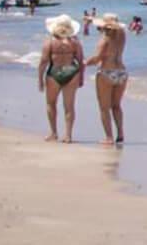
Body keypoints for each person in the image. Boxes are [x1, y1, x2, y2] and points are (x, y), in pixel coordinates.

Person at [37, 15, 85, 143]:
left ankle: (54, 133)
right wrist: (81, 78)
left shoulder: (50, 42)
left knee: (51, 104)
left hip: (54, 72)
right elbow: (80, 61)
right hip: (71, 72)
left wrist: (40, 79)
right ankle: (68, 135)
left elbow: (43, 62)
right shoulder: (75, 42)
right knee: (69, 106)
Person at [90, 13, 129, 147]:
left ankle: (109, 137)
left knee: (104, 107)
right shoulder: (123, 36)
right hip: (122, 72)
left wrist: (84, 63)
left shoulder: (104, 40)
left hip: (107, 71)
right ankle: (120, 133)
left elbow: (97, 58)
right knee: (116, 105)